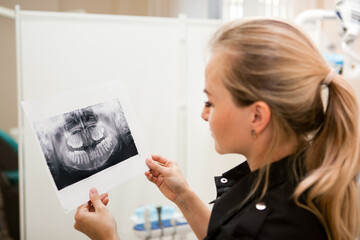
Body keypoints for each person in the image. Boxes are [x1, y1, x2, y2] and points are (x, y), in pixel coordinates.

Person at [73, 18, 360, 240]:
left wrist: (107, 236)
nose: (203, 114)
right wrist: (183, 196)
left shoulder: (276, 227)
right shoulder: (302, 177)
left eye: (211, 101)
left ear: (257, 116)